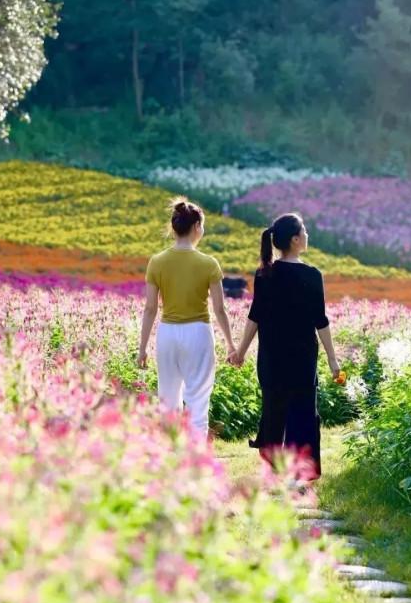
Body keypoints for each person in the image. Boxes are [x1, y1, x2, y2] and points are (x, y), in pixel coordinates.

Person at [230, 212, 340, 477]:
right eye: (304, 231)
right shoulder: (312, 275)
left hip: (272, 355)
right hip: (302, 356)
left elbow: (254, 316)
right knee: (303, 411)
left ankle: (271, 464)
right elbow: (320, 321)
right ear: (294, 239)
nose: (307, 235)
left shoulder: (265, 273)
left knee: (274, 408)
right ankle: (303, 470)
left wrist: (241, 351)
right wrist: (333, 360)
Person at [138, 197, 236, 437]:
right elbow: (219, 309)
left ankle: (171, 460)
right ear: (196, 228)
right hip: (198, 333)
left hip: (167, 334)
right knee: (198, 403)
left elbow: (150, 308)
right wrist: (231, 344)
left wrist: (142, 348)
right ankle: (196, 461)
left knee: (168, 401)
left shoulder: (157, 262)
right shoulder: (209, 264)